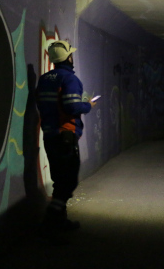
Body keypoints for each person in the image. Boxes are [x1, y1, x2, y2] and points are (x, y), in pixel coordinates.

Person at [36, 40, 96, 236]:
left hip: (50, 135)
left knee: (59, 180)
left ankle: (60, 222)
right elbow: (72, 107)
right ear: (68, 58)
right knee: (68, 182)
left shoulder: (44, 79)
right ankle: (51, 223)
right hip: (66, 136)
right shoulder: (70, 79)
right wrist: (87, 106)